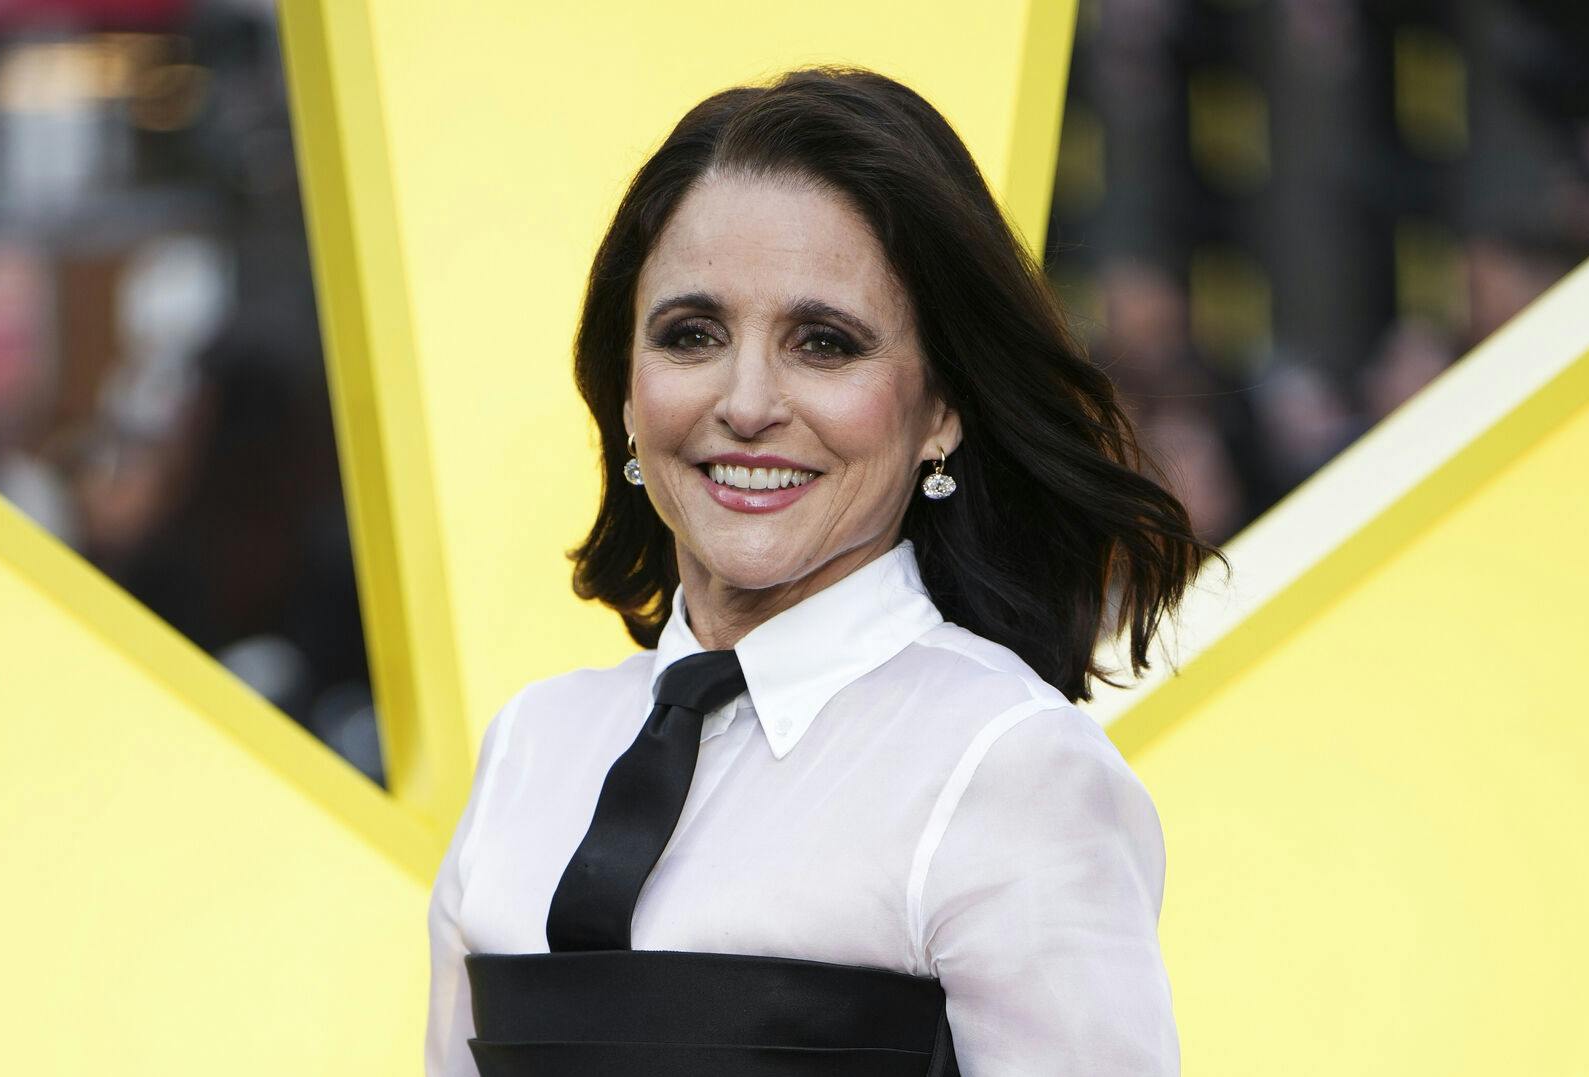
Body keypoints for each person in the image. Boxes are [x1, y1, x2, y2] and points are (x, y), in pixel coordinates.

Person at [426, 66, 1224, 1076]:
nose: (747, 402)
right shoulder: (529, 748)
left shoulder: (1008, 767)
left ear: (941, 409)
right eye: (691, 336)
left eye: (824, 343)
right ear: (626, 393)